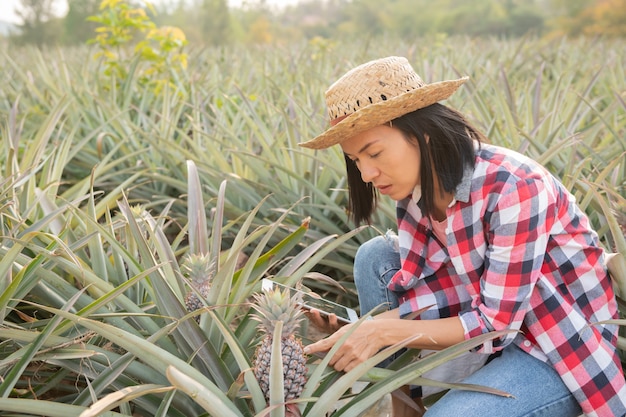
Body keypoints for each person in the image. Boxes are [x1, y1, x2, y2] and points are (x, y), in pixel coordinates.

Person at [299, 56, 626, 417]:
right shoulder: (416, 187)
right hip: (488, 317)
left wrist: (380, 332)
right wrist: (364, 330)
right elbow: (433, 281)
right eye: (355, 160)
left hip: (556, 343)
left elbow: (495, 325)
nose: (366, 173)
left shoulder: (515, 187)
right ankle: (405, 408)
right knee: (376, 257)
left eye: (373, 153)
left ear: (422, 134)